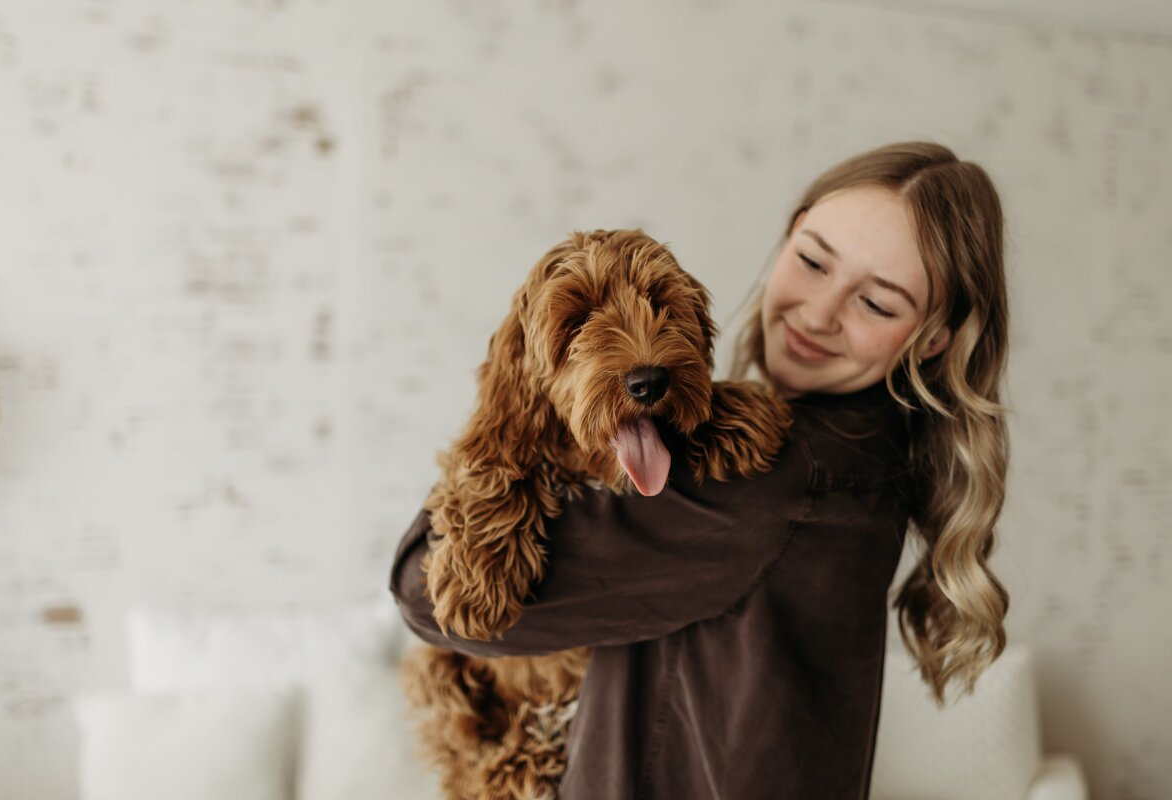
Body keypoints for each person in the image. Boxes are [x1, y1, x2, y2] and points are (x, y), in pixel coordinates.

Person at [389, 141, 1011, 799]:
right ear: (789, 235)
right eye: (811, 262)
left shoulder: (780, 482)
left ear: (935, 337)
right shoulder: (856, 453)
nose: (818, 314)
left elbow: (428, 595)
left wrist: (497, 459)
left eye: (876, 304)